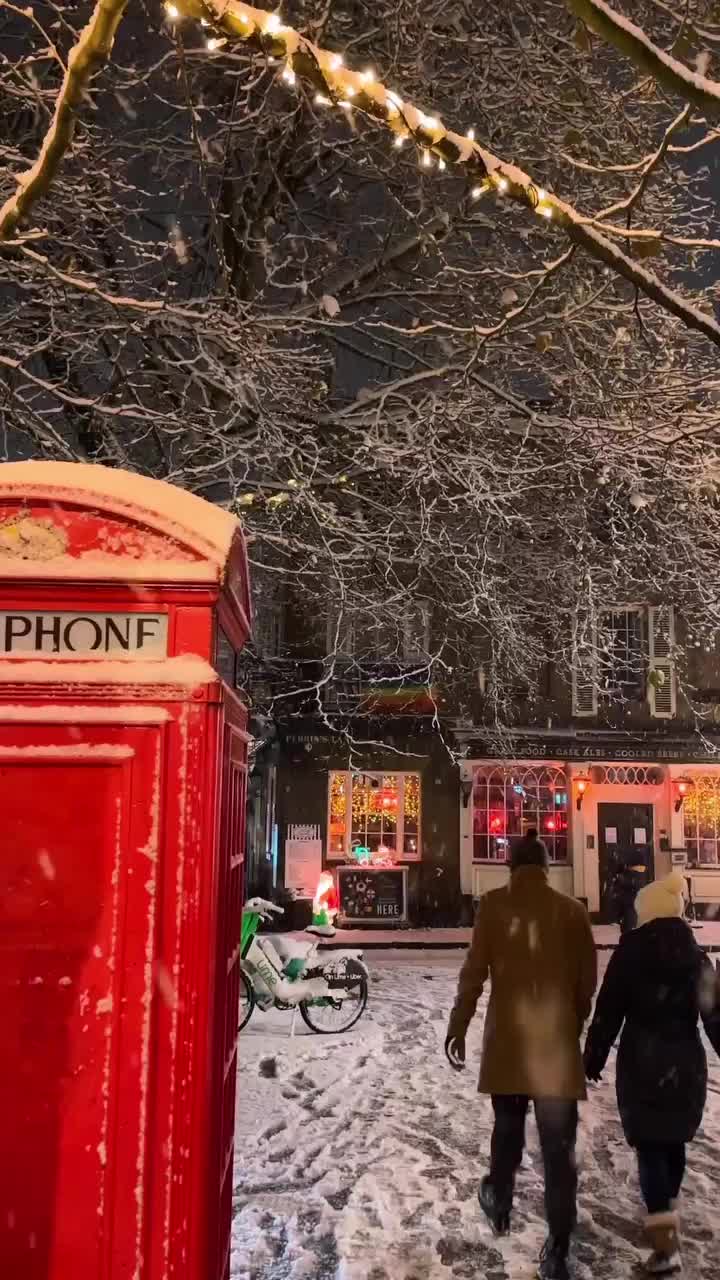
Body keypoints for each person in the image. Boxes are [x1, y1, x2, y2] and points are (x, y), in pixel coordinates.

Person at [445, 829, 597, 1280]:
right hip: (553, 1048)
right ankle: (559, 1244)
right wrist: (573, 1022)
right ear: (546, 870)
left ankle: (500, 1195)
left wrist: (459, 1025)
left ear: (510, 867)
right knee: (558, 1151)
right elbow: (586, 980)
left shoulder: (492, 908)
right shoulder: (571, 912)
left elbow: (473, 974)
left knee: (507, 1130)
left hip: (510, 1044)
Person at [584, 870, 720, 1275]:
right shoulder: (697, 957)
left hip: (643, 1063)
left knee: (650, 1147)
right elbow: (715, 1016)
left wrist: (592, 1057)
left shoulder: (630, 953)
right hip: (685, 1064)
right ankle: (666, 1221)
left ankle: (664, 1244)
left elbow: (608, 1011)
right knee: (673, 1142)